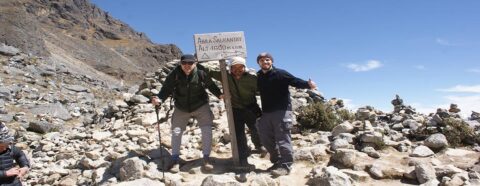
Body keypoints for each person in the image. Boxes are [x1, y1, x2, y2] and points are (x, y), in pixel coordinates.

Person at [151, 54, 223, 173]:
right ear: (180, 63)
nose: (187, 66)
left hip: (201, 105)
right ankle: (175, 159)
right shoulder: (175, 74)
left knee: (206, 130)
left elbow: (210, 85)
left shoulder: (201, 71)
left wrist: (219, 95)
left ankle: (206, 158)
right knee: (176, 131)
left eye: (190, 63)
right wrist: (159, 99)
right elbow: (166, 89)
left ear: (195, 63)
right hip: (181, 107)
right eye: (184, 63)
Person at [255, 52, 316, 177]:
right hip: (266, 112)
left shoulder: (280, 73)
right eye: (262, 60)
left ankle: (286, 165)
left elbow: (294, 81)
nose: (265, 62)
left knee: (283, 138)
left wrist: (307, 84)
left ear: (271, 61)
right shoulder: (258, 76)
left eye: (267, 60)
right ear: (258, 63)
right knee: (265, 137)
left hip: (282, 111)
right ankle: (277, 161)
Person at [205, 56, 266, 169]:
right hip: (235, 109)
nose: (237, 70)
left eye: (240, 67)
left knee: (255, 128)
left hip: (251, 108)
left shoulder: (252, 78)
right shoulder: (224, 76)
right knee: (239, 134)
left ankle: (260, 146)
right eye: (234, 67)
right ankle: (243, 158)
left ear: (244, 67)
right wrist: (194, 61)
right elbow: (207, 71)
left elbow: (264, 87)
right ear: (230, 68)